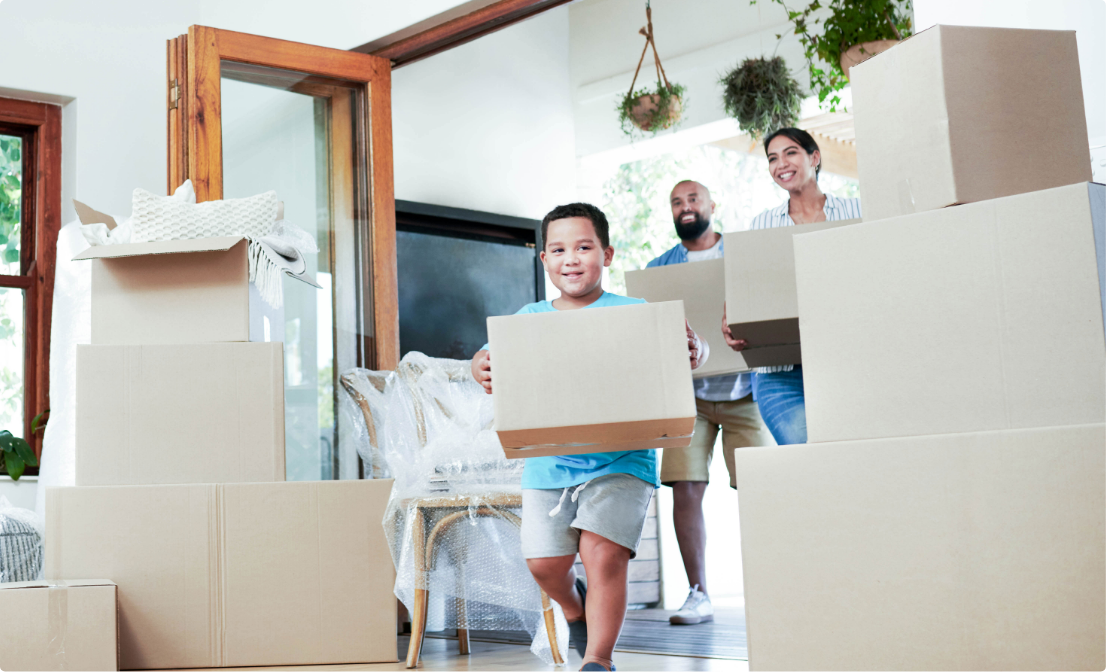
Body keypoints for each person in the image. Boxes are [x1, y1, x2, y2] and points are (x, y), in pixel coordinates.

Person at [471, 202, 707, 672]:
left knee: (603, 556)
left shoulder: (635, 312)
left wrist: (694, 348)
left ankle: (598, 660)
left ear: (608, 253)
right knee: (544, 565)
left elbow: (684, 351)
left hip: (622, 461)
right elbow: (490, 356)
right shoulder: (529, 317)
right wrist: (478, 363)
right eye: (558, 250)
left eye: (583, 247)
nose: (571, 259)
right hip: (548, 462)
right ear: (543, 261)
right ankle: (574, 607)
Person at [646, 180, 770, 626]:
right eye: (676, 202)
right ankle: (698, 593)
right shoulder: (659, 268)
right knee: (686, 487)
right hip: (691, 398)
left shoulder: (742, 253)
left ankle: (772, 585)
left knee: (761, 489)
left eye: (693, 199)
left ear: (712, 205)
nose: (685, 207)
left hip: (747, 391)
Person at [723, 128, 862, 445]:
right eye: (772, 158)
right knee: (806, 454)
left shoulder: (857, 213)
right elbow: (750, 286)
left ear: (814, 157)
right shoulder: (762, 224)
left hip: (846, 360)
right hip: (780, 372)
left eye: (790, 152)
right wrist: (733, 315)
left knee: (850, 452)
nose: (780, 163)